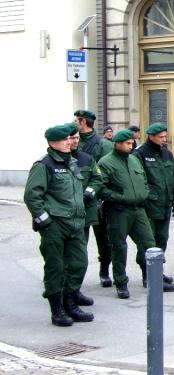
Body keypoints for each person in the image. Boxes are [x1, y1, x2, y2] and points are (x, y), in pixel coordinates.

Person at [24, 124, 95, 326]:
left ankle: (70, 303)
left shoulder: (71, 162)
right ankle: (57, 311)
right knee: (55, 268)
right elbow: (32, 196)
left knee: (79, 264)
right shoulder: (44, 165)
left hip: (75, 223)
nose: (69, 142)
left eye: (70, 139)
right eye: (65, 139)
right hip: (55, 225)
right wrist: (45, 220)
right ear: (52, 143)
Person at [92, 129, 155, 299]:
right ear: (118, 144)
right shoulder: (106, 162)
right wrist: (118, 197)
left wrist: (145, 193)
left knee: (149, 243)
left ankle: (152, 277)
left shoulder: (134, 160)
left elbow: (143, 181)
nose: (131, 145)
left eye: (132, 142)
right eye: (127, 143)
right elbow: (100, 187)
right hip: (119, 210)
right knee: (119, 247)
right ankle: (121, 282)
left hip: (138, 209)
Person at [132, 123, 174, 292]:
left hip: (165, 205)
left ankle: (157, 271)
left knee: (161, 240)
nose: (164, 139)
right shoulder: (140, 154)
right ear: (151, 136)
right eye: (160, 137)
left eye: (165, 136)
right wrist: (147, 197)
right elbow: (139, 180)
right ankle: (148, 275)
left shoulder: (167, 154)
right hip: (149, 206)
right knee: (147, 242)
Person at [74, 110, 113, 288]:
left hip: (98, 200)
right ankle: (74, 277)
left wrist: (102, 196)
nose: (74, 123)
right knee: (78, 240)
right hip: (77, 200)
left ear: (83, 122)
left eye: (76, 120)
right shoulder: (72, 141)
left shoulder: (102, 144)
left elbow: (107, 172)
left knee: (104, 239)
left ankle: (104, 271)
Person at [65, 123, 99, 306]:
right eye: (72, 138)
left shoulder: (86, 158)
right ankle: (64, 294)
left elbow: (96, 177)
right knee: (64, 258)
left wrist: (91, 190)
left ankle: (75, 290)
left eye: (78, 138)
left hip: (83, 215)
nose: (76, 141)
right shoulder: (52, 162)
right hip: (62, 218)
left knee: (80, 256)